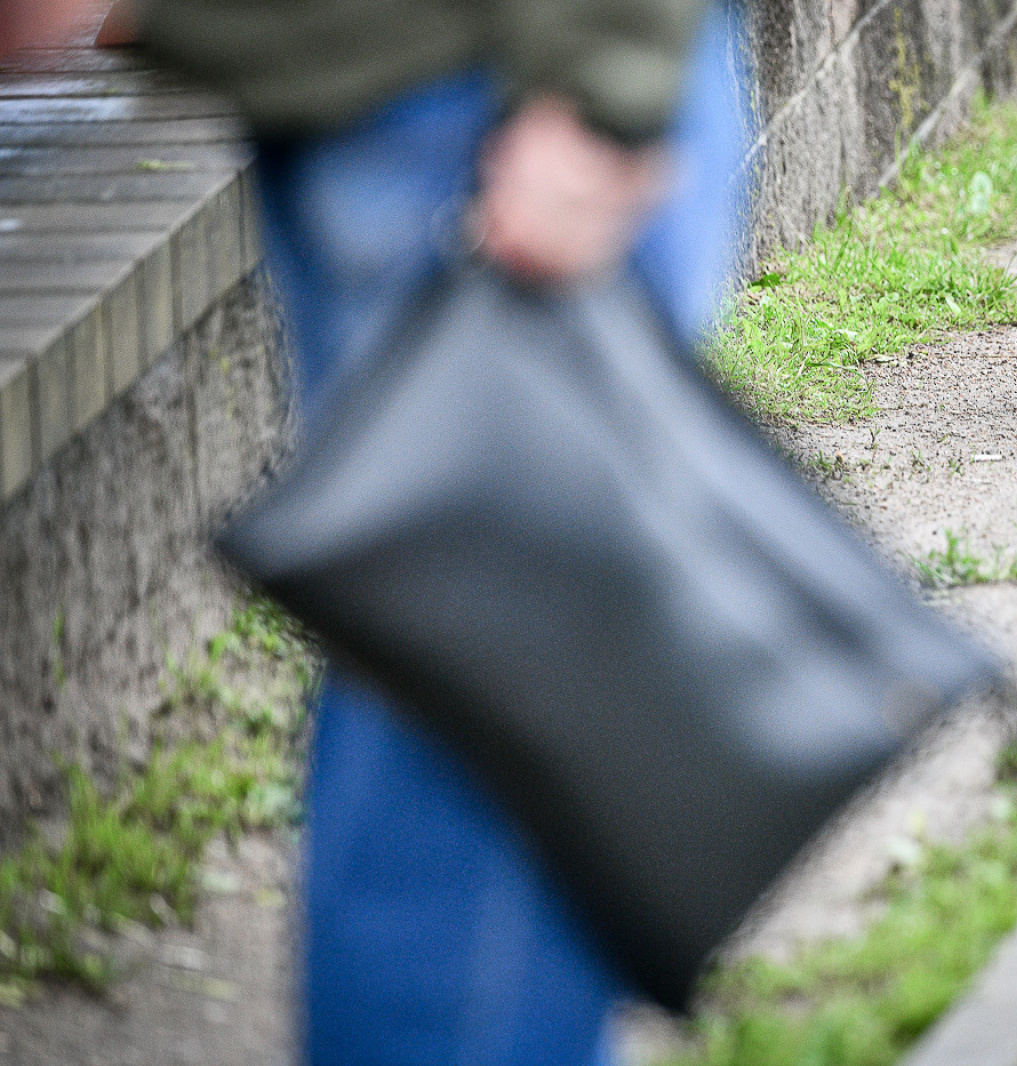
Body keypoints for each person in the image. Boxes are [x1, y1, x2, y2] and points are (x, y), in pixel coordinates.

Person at [7, 1, 749, 1062]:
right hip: (432, 88)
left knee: (474, 720)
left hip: (476, 83)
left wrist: (603, 67)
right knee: (472, 733)